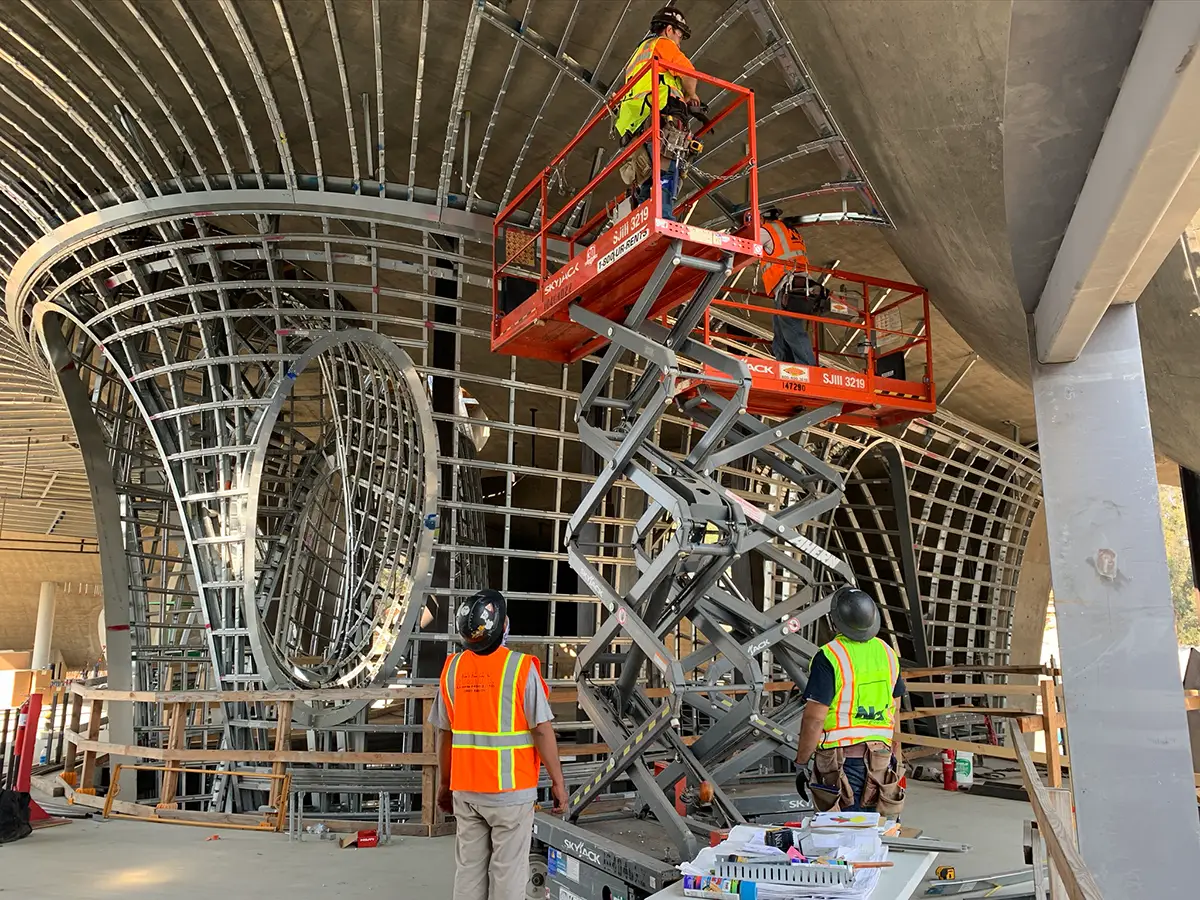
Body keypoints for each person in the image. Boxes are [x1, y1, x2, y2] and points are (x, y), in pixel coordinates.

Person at [432, 589, 569, 900]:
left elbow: (444, 733)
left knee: (468, 869)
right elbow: (542, 731)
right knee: (508, 872)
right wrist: (558, 783)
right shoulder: (520, 669)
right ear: (503, 625)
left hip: (466, 791)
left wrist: (445, 784)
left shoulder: (453, 670)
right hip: (511, 793)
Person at [793, 585, 907, 815]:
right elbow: (894, 708)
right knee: (875, 833)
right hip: (881, 759)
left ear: (836, 621)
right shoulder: (887, 653)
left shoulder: (830, 656)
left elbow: (815, 718)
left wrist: (801, 762)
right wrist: (896, 753)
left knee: (843, 836)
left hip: (843, 763)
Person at [614, 5, 703, 221]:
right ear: (669, 29)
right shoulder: (663, 44)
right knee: (666, 172)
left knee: (647, 177)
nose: (679, 41)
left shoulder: (638, 54)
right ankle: (662, 219)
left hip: (635, 122)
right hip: (661, 113)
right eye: (679, 35)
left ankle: (646, 220)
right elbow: (688, 72)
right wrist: (691, 94)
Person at [761, 209, 819, 366]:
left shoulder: (767, 230)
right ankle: (786, 369)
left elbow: (747, 244)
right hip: (795, 285)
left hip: (788, 285)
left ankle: (808, 368)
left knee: (792, 330)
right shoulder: (789, 230)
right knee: (780, 335)